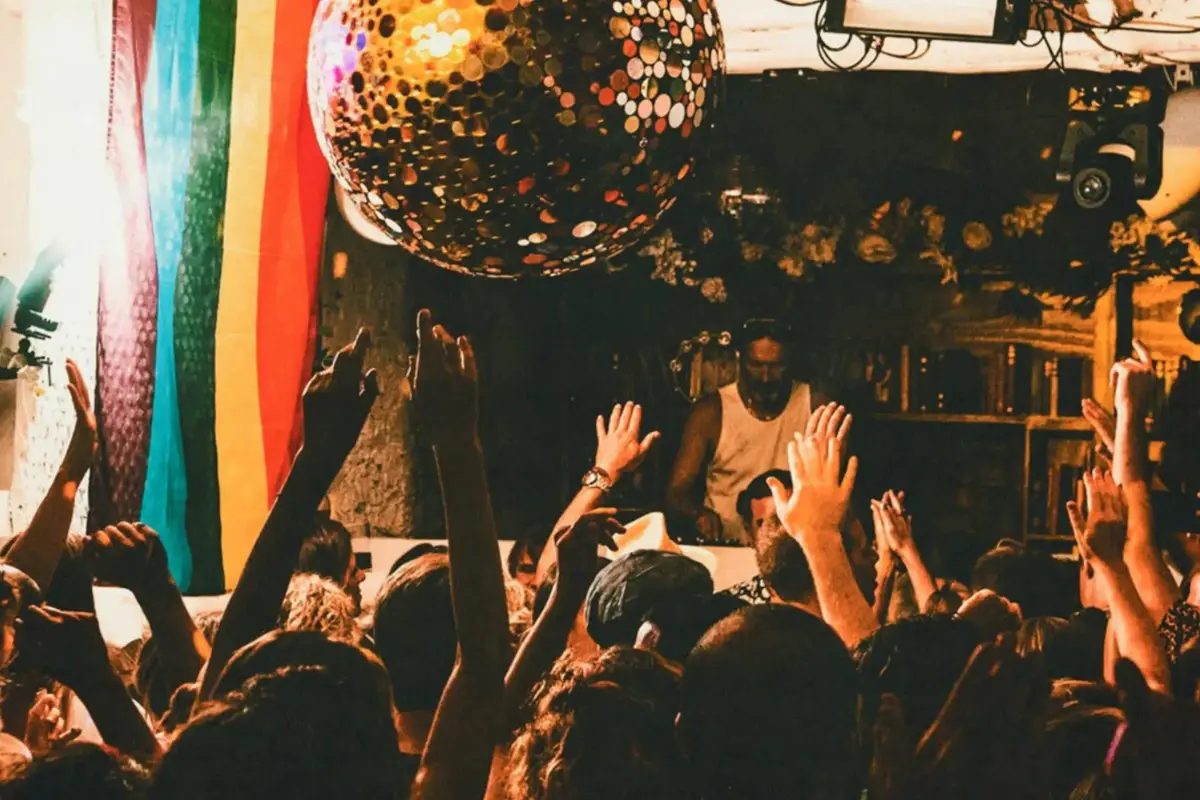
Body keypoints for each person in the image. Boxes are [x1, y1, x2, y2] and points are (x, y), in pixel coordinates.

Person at [667, 319, 819, 544]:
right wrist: (697, 514)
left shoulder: (814, 405)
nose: (766, 377)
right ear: (739, 359)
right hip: (729, 546)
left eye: (777, 366)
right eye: (756, 365)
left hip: (795, 548)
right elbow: (676, 492)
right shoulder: (711, 412)